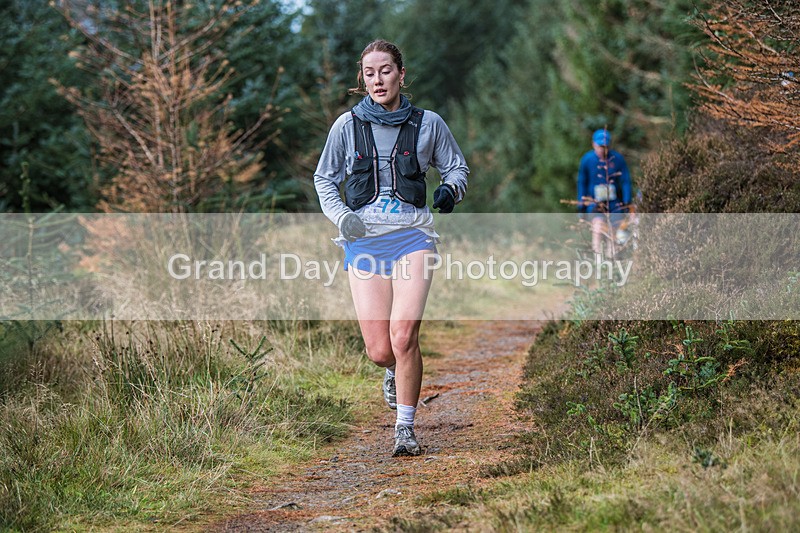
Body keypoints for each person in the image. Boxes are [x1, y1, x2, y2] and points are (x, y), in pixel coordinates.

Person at [313, 39, 469, 456]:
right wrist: (342, 215)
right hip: (364, 243)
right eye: (369, 73)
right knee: (380, 349)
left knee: (404, 335)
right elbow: (324, 180)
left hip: (413, 237)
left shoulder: (429, 123)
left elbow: (456, 166)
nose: (378, 79)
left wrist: (451, 189)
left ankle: (405, 427)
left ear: (401, 74)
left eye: (385, 70)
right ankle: (392, 372)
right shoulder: (346, 127)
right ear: (362, 81)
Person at [576, 128, 632, 256]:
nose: (603, 150)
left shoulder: (617, 159)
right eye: (600, 146)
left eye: (606, 146)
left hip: (614, 204)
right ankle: (598, 264)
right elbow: (582, 182)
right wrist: (581, 206)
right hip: (595, 204)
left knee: (612, 234)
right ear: (593, 144)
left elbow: (625, 181)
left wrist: (627, 202)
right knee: (598, 230)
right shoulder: (587, 160)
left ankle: (611, 265)